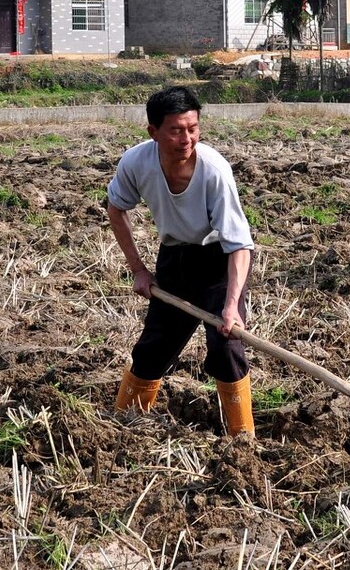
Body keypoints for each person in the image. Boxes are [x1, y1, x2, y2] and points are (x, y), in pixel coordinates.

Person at [106, 86, 256, 437]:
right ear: (153, 132)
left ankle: (242, 439)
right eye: (176, 130)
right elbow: (116, 209)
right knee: (153, 348)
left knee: (226, 350)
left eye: (193, 128)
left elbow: (239, 246)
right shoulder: (136, 163)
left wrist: (231, 306)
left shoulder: (214, 170)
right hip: (174, 258)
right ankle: (123, 425)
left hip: (219, 262)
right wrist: (139, 270)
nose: (186, 138)